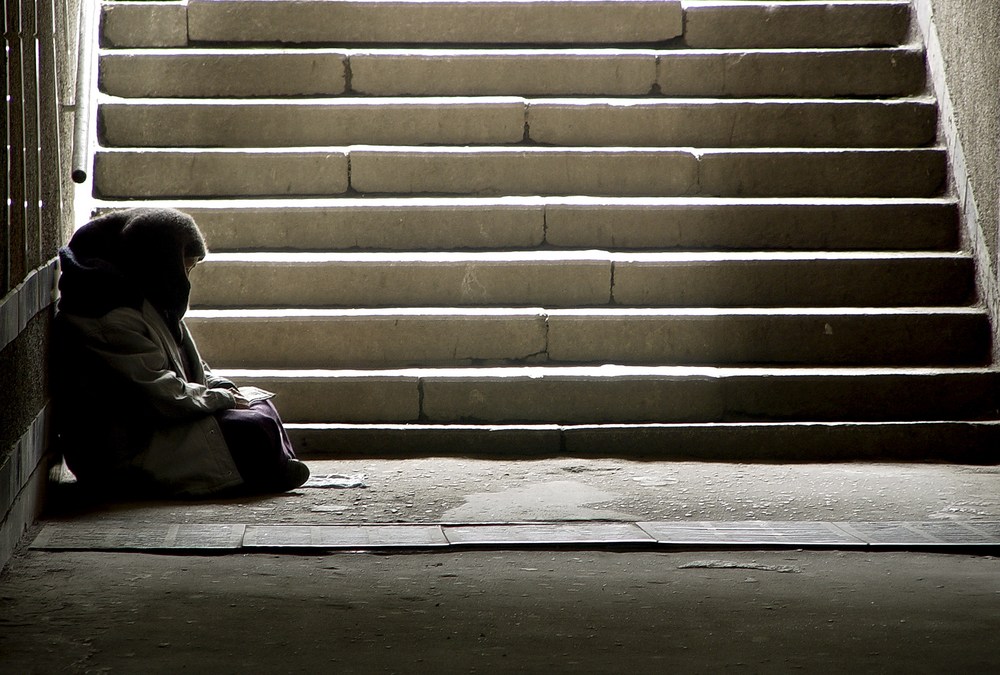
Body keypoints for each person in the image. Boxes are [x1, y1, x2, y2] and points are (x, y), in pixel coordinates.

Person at [52, 207, 310, 498]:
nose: (185, 279)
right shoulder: (107, 318)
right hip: (133, 446)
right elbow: (160, 394)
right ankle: (268, 469)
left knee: (261, 406)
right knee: (251, 427)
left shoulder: (148, 298)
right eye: (184, 269)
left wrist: (225, 388)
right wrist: (222, 399)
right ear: (161, 263)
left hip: (166, 422)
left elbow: (191, 366)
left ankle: (273, 466)